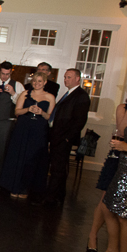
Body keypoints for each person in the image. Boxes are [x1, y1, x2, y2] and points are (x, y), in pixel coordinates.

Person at [87, 76, 127, 252]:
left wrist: (126, 147)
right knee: (106, 203)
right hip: (118, 159)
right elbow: (122, 131)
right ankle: (95, 237)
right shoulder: (126, 108)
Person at [0, 72, 56, 198]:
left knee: (32, 158)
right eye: (35, 81)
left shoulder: (50, 97)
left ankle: (25, 188)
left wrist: (41, 112)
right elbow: (17, 111)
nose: (37, 83)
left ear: (45, 82)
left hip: (39, 130)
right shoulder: (25, 94)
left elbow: (50, 118)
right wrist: (28, 109)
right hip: (23, 127)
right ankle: (14, 186)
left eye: (40, 81)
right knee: (19, 156)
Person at [44, 68, 91, 207]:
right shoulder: (69, 93)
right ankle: (58, 195)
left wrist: (67, 138)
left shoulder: (81, 96)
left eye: (69, 77)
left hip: (63, 138)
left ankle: (51, 198)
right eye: (65, 77)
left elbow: (79, 121)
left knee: (57, 169)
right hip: (57, 136)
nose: (66, 80)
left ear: (78, 79)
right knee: (58, 168)